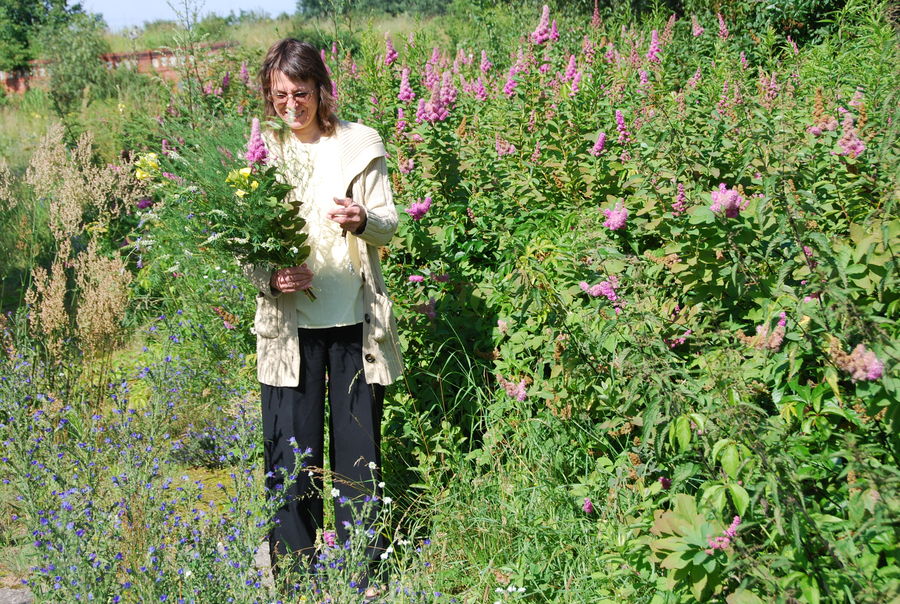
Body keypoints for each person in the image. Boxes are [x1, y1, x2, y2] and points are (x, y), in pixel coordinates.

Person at [242, 38, 403, 596]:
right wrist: (268, 277)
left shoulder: (359, 144)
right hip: (288, 330)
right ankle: (293, 577)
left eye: (301, 93)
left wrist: (362, 219)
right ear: (270, 93)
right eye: (280, 94)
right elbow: (240, 243)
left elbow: (389, 223)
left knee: (358, 456)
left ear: (322, 90)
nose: (291, 105)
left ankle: (363, 572)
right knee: (291, 454)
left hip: (356, 324)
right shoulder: (263, 149)